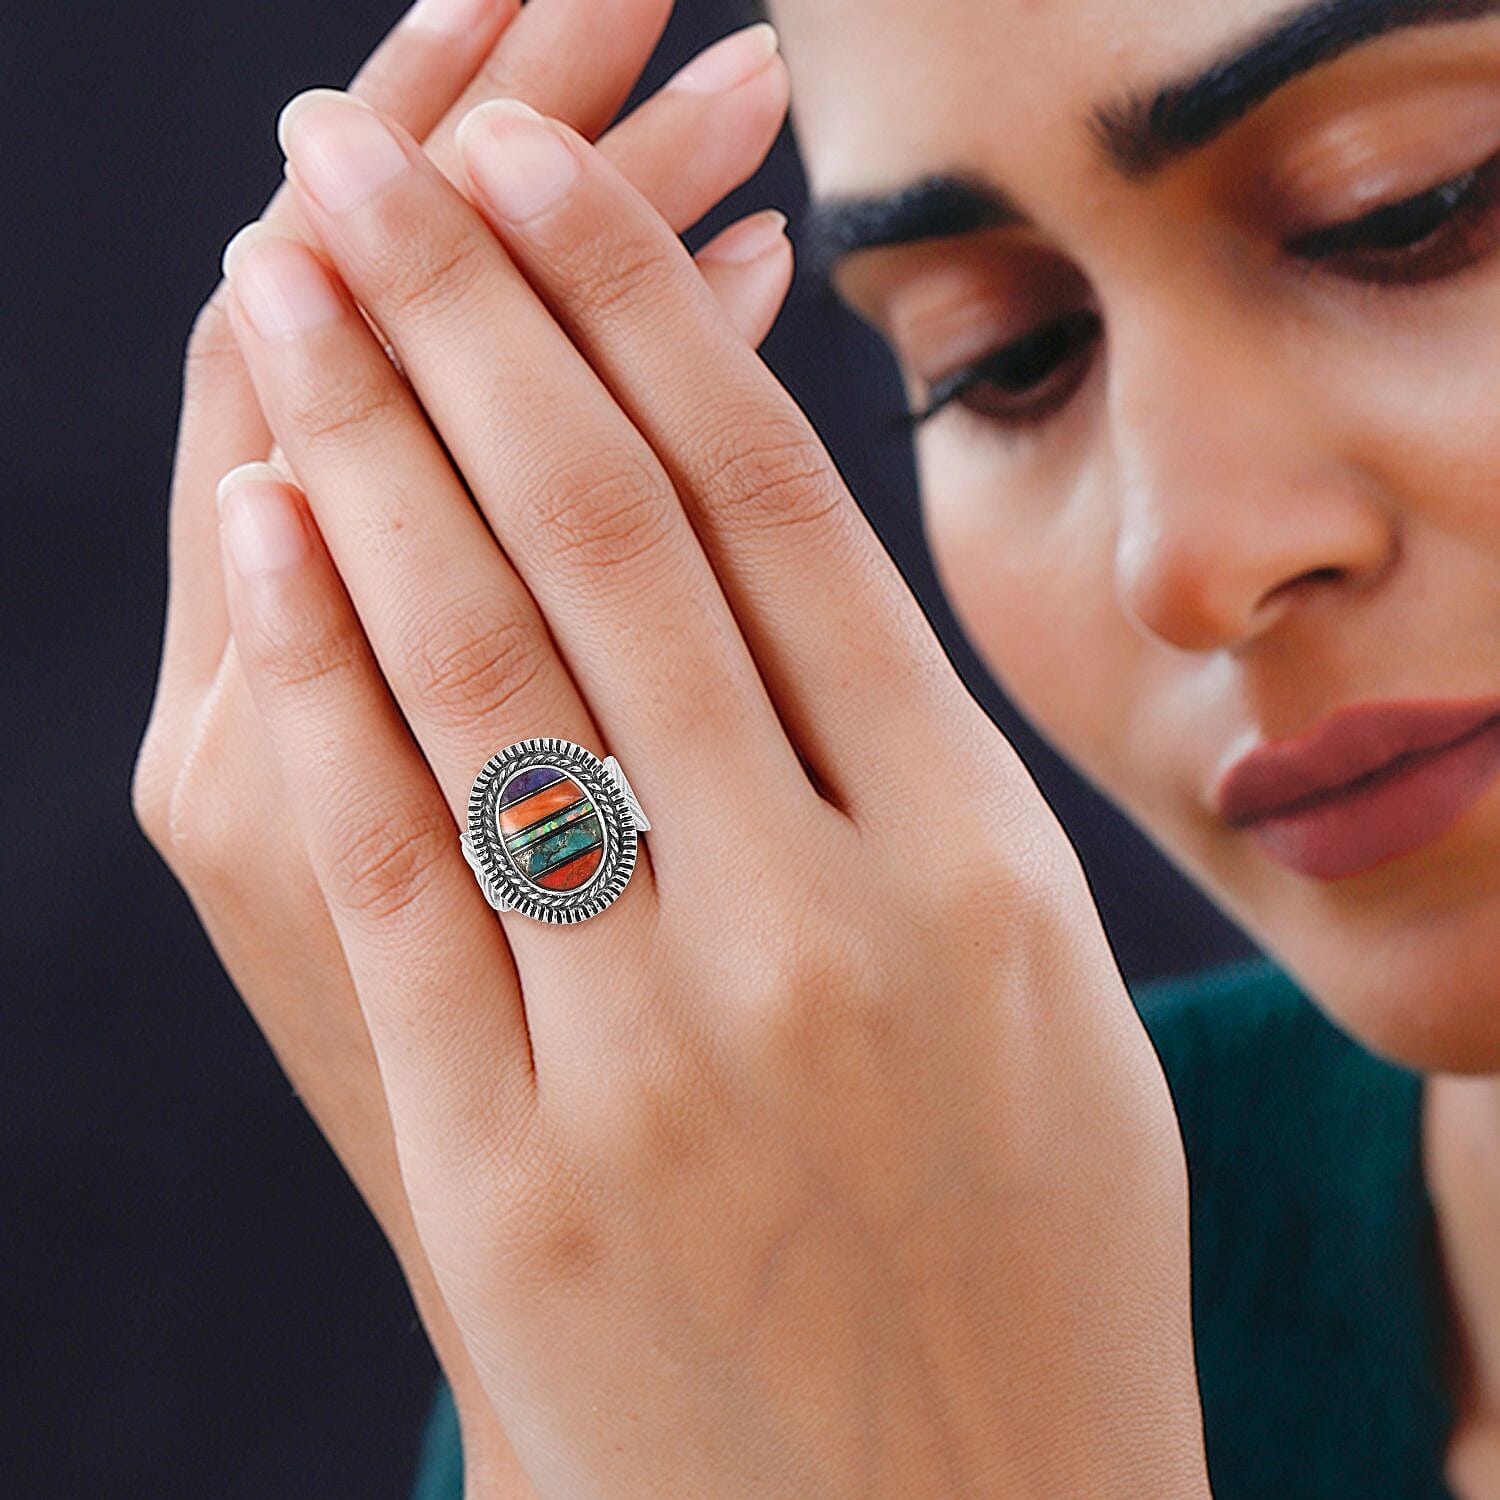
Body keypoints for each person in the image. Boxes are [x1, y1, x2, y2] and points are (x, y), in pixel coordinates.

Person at [129, 0, 1500, 1494]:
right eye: (1005, 357)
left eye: (1410, 207)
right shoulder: (803, 1240)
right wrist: (560, 1361)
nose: (1183, 563)